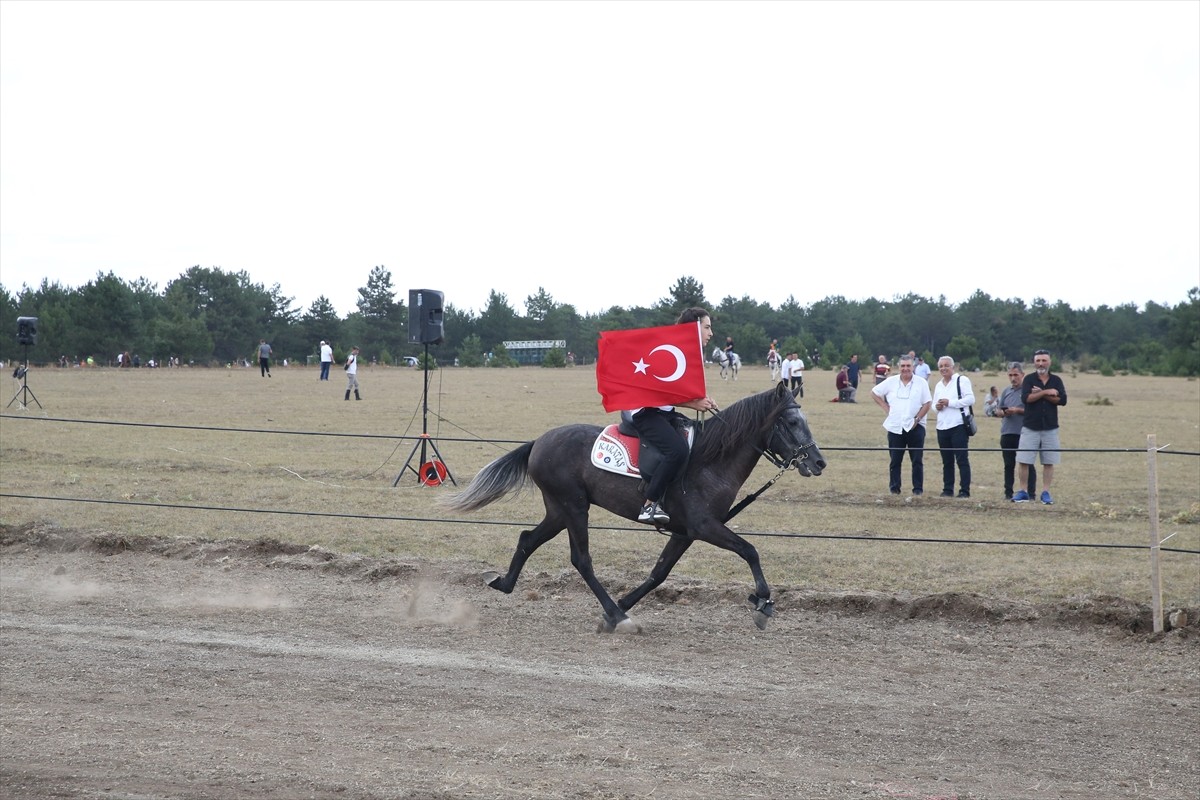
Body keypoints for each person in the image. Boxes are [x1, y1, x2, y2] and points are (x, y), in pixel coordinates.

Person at [627, 307, 719, 525]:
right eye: (707, 327)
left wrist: (704, 399)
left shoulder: (688, 352)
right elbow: (657, 393)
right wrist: (694, 403)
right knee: (677, 450)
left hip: (665, 412)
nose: (711, 333)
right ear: (694, 327)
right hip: (646, 413)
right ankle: (649, 505)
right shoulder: (671, 350)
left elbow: (679, 388)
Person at [871, 354, 933, 495]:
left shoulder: (921, 382)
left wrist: (917, 419)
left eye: (908, 366)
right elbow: (874, 393)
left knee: (917, 460)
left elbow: (927, 403)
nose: (905, 369)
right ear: (898, 367)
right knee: (895, 461)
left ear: (913, 367)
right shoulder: (891, 381)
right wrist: (885, 407)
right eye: (903, 366)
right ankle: (894, 489)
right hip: (895, 427)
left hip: (915, 427)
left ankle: (917, 490)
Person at [1015, 349, 1068, 504]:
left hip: (1050, 427)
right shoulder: (1029, 379)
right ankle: (1023, 491)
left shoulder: (1056, 380)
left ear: (1049, 362)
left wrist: (1041, 393)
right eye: (1038, 361)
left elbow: (1062, 400)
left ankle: (1045, 492)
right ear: (1034, 362)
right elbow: (1027, 399)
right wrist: (1047, 393)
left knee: (1048, 461)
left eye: (1044, 360)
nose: (1041, 364)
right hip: (1030, 426)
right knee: (1024, 460)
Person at [932, 356, 974, 498]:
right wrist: (937, 406)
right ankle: (948, 489)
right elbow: (933, 405)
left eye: (946, 366)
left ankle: (964, 490)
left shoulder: (961, 380)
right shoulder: (938, 385)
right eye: (941, 366)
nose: (943, 368)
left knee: (962, 459)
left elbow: (970, 399)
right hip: (942, 426)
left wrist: (950, 402)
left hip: (958, 425)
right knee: (947, 461)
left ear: (953, 367)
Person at [997, 362, 1037, 501]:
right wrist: (1003, 412)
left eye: (1016, 375)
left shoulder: (1029, 392)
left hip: (1024, 433)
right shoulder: (1006, 391)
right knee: (1008, 465)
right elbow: (998, 409)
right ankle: (1008, 493)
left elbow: (1034, 412)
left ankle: (1030, 494)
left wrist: (1018, 410)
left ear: (1022, 375)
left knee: (1027, 463)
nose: (1013, 378)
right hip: (1007, 432)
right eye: (1010, 375)